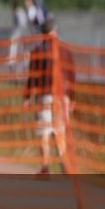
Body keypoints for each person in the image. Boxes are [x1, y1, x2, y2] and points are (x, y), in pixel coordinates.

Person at [24, 16, 75, 175]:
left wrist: (27, 97)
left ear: (42, 33)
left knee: (44, 132)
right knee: (60, 131)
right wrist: (72, 98)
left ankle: (45, 167)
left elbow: (32, 76)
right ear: (56, 31)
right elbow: (71, 76)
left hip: (44, 96)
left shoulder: (37, 51)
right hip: (61, 97)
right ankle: (65, 167)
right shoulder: (65, 51)